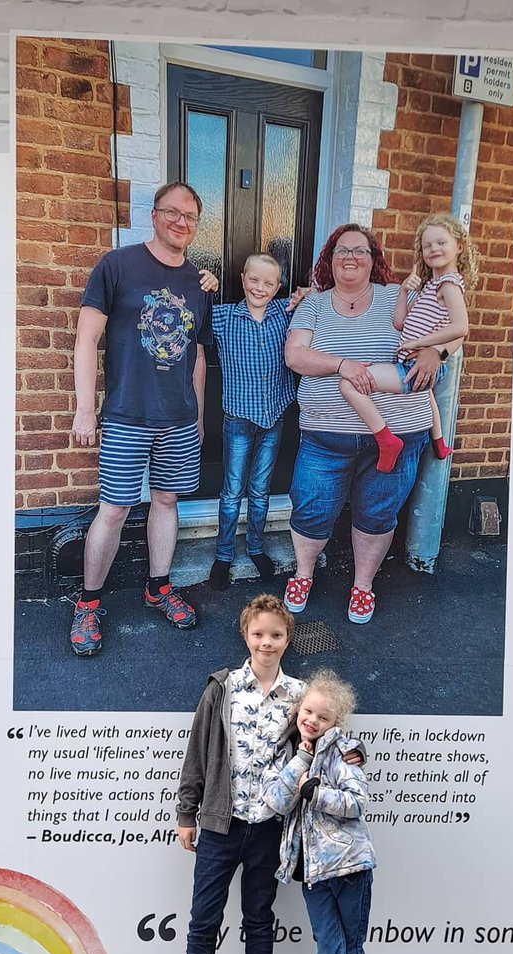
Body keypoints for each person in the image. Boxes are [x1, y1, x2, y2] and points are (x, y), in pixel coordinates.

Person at [141, 593, 301, 954]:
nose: (266, 643)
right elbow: (196, 754)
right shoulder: (222, 687)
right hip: (220, 824)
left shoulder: (298, 696)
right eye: (258, 634)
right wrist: (187, 813)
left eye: (276, 635)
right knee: (203, 922)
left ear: (287, 639)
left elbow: (326, 740)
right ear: (245, 636)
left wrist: (351, 754)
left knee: (259, 921)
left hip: (269, 828)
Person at [284, 223, 457, 625]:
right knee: (310, 507)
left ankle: (363, 585)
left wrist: (438, 353)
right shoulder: (313, 304)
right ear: (330, 259)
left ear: (373, 259)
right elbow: (296, 356)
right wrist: (343, 364)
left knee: (378, 513)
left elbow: (451, 322)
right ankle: (303, 574)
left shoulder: (397, 296)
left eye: (360, 251)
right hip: (327, 433)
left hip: (399, 430)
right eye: (342, 251)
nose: (350, 257)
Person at [69, 181, 214, 656]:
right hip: (128, 414)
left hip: (178, 419)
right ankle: (88, 603)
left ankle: (159, 587)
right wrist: (85, 410)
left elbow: (197, 356)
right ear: (154, 215)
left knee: (166, 502)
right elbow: (87, 339)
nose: (181, 222)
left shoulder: (198, 283)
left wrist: (196, 414)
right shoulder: (117, 266)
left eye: (190, 216)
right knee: (113, 508)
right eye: (173, 212)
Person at [262, 670, 375, 954]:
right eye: (307, 711)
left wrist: (317, 793)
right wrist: (302, 763)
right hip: (312, 873)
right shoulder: (288, 751)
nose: (312, 720)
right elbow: (274, 801)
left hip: (349, 868)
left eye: (322, 717)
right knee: (330, 953)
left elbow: (357, 802)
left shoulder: (346, 752)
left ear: (336, 723)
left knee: (349, 952)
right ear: (298, 710)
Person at [337, 213, 478, 472]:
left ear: (459, 246)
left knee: (349, 385)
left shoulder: (449, 285)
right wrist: (403, 290)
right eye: (427, 245)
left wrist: (424, 344)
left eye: (441, 242)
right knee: (427, 396)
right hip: (412, 362)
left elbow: (461, 327)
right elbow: (400, 322)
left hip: (411, 365)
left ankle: (387, 440)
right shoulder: (432, 286)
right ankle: (439, 442)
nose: (434, 248)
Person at [209, 253, 298, 591]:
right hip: (238, 419)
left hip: (273, 417)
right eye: (254, 279)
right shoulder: (223, 317)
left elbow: (320, 295)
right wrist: (205, 283)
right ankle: (224, 554)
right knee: (232, 492)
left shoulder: (286, 312)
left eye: (269, 282)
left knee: (260, 491)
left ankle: (257, 547)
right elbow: (188, 309)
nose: (260, 287)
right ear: (243, 277)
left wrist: (306, 293)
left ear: (278, 287)